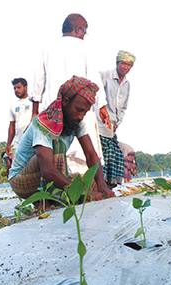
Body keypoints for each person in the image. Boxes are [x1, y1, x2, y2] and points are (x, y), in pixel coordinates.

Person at [8, 76, 115, 207]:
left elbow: (91, 155)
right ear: (65, 101)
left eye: (85, 112)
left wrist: (102, 184)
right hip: (21, 180)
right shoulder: (43, 123)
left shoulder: (77, 121)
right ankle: (51, 202)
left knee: (91, 186)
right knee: (57, 145)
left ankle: (56, 197)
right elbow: (47, 170)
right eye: (79, 110)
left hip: (44, 175)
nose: (81, 116)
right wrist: (80, 192)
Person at [30, 13, 110, 172]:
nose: (84, 37)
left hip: (55, 109)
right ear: (78, 29)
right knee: (84, 150)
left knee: (58, 151)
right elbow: (94, 80)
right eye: (84, 32)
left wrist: (35, 111)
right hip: (81, 109)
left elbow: (38, 81)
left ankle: (61, 186)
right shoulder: (84, 48)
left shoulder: (47, 47)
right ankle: (85, 188)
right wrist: (102, 107)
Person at [98, 50, 136, 188]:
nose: (126, 67)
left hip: (112, 126)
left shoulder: (127, 84)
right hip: (99, 123)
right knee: (104, 156)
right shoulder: (104, 76)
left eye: (129, 65)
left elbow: (123, 107)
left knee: (116, 158)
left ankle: (109, 186)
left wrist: (117, 122)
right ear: (117, 62)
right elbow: (96, 99)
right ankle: (100, 185)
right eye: (124, 64)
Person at [6, 78, 33, 175]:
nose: (16, 90)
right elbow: (12, 126)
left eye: (19, 87)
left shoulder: (35, 102)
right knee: (18, 170)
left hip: (33, 142)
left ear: (26, 88)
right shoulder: (13, 106)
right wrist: (8, 144)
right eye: (14, 88)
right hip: (18, 143)